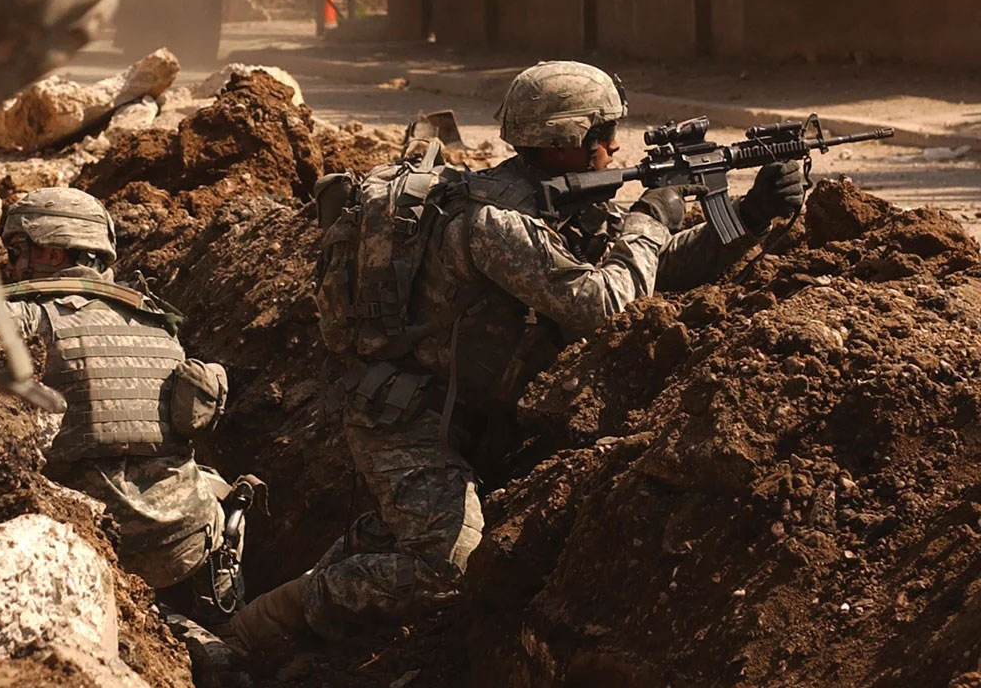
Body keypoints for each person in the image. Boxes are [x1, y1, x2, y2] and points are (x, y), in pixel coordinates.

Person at [222, 61, 803, 651]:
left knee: (423, 537)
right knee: (451, 570)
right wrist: (651, 217)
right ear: (563, 144)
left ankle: (294, 606)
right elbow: (607, 302)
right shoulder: (494, 222)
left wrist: (749, 217)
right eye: (602, 135)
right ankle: (266, 625)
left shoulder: (560, 202)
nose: (615, 146)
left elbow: (655, 272)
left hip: (472, 418)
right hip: (406, 421)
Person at [0, 187, 252, 617]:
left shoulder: (32, 317)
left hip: (91, 544)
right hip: (181, 542)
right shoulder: (159, 324)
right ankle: (221, 617)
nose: (13, 266)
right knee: (211, 481)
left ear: (53, 254)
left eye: (19, 251)